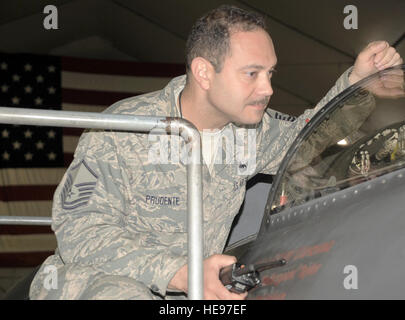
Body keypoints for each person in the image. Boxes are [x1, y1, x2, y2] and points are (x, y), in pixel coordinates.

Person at [29, 5, 403, 300]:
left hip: (192, 285)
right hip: (96, 280)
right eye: (252, 73)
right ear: (205, 73)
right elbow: (80, 231)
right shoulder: (125, 128)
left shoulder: (247, 129)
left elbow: (304, 140)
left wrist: (356, 84)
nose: (268, 88)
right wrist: (180, 273)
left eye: (271, 73)